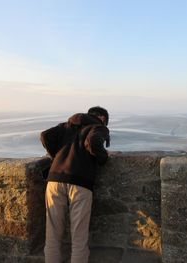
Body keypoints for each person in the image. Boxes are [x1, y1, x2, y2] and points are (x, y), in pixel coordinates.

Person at [40, 106, 110, 263]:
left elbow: (45, 136)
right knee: (79, 237)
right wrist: (103, 157)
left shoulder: (67, 125)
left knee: (52, 235)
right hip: (81, 182)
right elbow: (93, 142)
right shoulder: (98, 127)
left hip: (54, 180)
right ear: (103, 118)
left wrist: (56, 156)